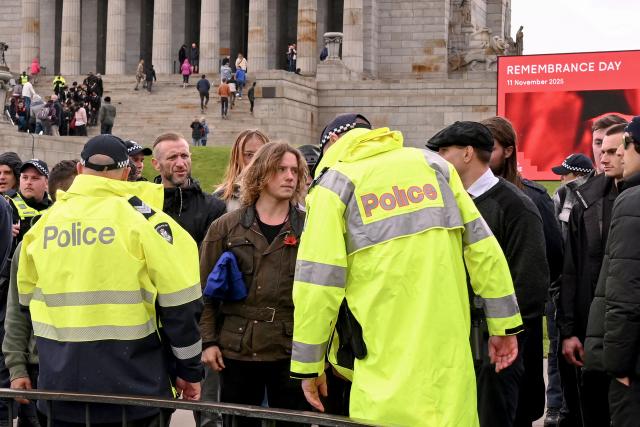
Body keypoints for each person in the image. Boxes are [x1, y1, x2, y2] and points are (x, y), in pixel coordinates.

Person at [292, 114, 523, 426]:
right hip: (449, 372)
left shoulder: (334, 186)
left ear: (333, 144)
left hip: (383, 373)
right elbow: (483, 249)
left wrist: (309, 366)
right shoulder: (433, 167)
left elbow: (317, 286)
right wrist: (503, 327)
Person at [17, 135, 203, 425]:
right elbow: (182, 304)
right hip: (134, 393)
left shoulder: (41, 228)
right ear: (127, 173)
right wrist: (189, 372)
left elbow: (25, 305)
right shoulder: (147, 222)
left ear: (79, 171)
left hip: (59, 390)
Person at [429, 121, 548, 427]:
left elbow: (531, 284)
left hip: (494, 350)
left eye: (445, 151)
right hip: (452, 343)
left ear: (468, 153)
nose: (438, 158)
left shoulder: (515, 206)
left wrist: (499, 331)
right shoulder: (446, 202)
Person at [200, 142, 310, 427]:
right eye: (281, 169)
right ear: (261, 173)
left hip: (290, 347)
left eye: (294, 171)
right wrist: (209, 341)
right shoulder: (225, 227)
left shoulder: (310, 228)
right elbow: (206, 293)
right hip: (237, 348)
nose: (290, 177)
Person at [482, 116, 563, 427]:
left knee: (515, 408)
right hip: (478, 326)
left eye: (489, 148)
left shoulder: (531, 197)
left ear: (508, 151)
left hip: (519, 322)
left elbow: (554, 257)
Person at [3, 159, 77, 427]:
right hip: (45, 361)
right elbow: (17, 309)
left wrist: (16, 367)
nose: (28, 182)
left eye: (36, 177)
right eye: (24, 177)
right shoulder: (33, 240)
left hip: (62, 361)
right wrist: (17, 367)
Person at [564, 123, 626, 427]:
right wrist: (569, 331)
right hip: (592, 329)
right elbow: (572, 270)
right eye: (601, 147)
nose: (604, 156)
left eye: (614, 150)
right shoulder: (584, 200)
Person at [591, 117, 640, 426]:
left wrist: (617, 366)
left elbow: (625, 294)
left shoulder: (632, 202)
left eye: (625, 146)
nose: (620, 155)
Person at [151, 132, 225, 247]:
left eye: (184, 156)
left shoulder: (214, 208)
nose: (180, 163)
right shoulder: (143, 206)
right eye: (172, 157)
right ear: (156, 164)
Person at [214, 129, 269, 212]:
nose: (255, 161)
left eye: (261, 154)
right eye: (249, 155)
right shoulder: (221, 198)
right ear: (237, 158)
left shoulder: (282, 194)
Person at [550, 153, 594, 239]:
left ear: (579, 176)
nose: (561, 177)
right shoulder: (561, 194)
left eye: (565, 174)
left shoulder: (601, 193)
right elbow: (554, 231)